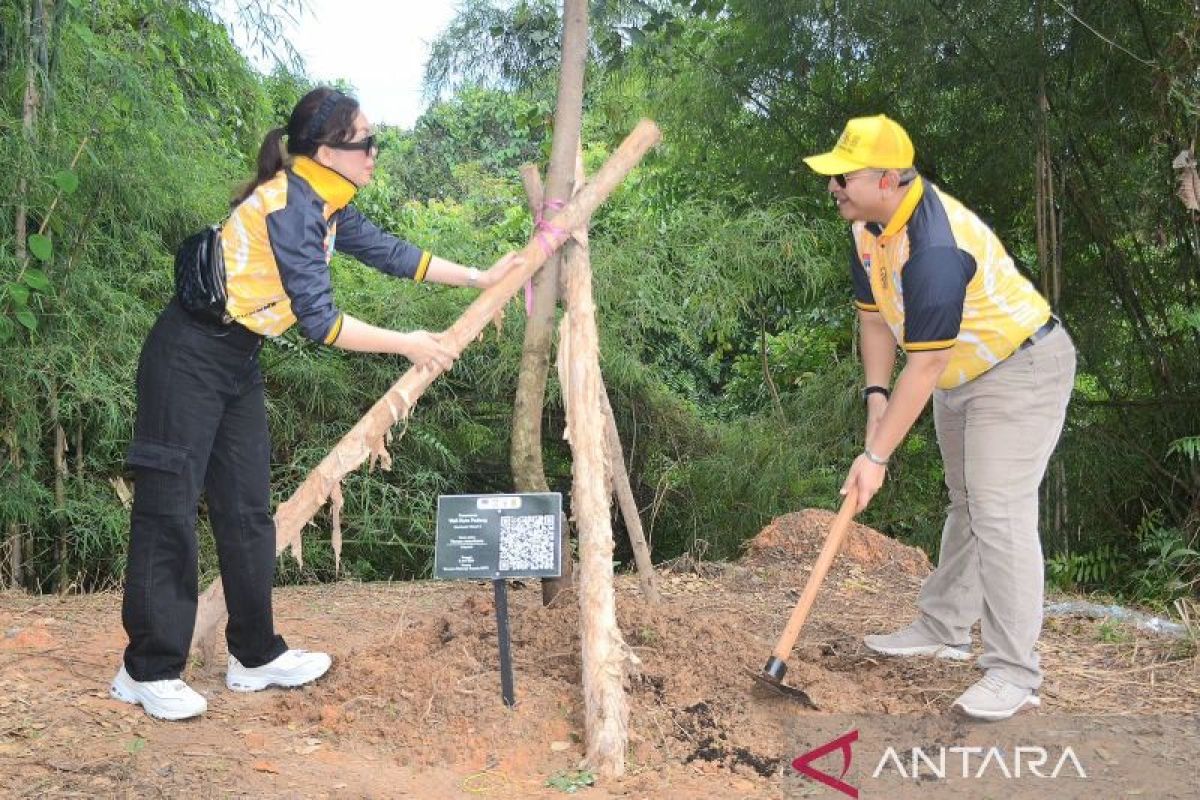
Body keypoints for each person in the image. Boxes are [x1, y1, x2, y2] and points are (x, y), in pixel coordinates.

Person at [110, 87, 521, 720]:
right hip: (187, 355)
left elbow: (389, 251)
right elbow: (321, 322)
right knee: (169, 505)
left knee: (247, 508)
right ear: (326, 151)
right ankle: (147, 669)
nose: (374, 156)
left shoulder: (326, 203)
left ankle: (254, 655)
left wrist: (479, 276)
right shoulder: (288, 207)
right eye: (365, 144)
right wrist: (409, 345)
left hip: (238, 358)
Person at [803, 115, 1076, 720]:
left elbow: (922, 370)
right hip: (960, 373)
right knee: (967, 500)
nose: (832, 187)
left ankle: (1013, 672)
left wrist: (875, 459)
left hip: (1019, 368)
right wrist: (876, 396)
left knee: (999, 509)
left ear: (888, 178)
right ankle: (946, 627)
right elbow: (874, 320)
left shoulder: (934, 246)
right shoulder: (868, 228)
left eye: (843, 177)